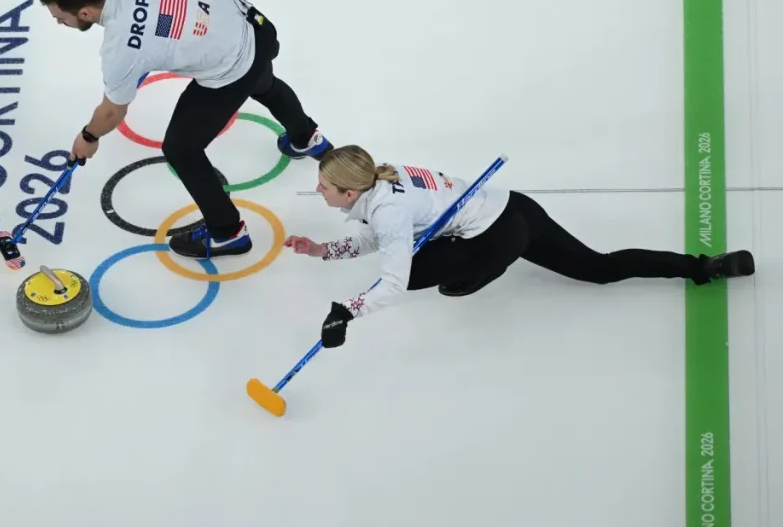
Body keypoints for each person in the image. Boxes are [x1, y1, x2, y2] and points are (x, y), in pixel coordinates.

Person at [38, 0, 333, 259]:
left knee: (181, 149)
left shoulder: (120, 49)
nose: (58, 22)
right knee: (263, 81)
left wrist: (88, 137)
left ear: (85, 13)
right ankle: (306, 138)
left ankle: (227, 232)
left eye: (60, 17)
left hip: (231, 66)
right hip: (256, 30)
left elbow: (112, 112)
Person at [283, 144, 756, 348]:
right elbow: (374, 234)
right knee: (600, 268)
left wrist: (347, 309)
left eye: (324, 186)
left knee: (419, 270)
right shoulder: (381, 175)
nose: (318, 191)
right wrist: (321, 250)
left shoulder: (389, 212)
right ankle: (705, 266)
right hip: (517, 210)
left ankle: (483, 271)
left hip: (494, 240)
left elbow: (393, 280)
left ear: (351, 193)